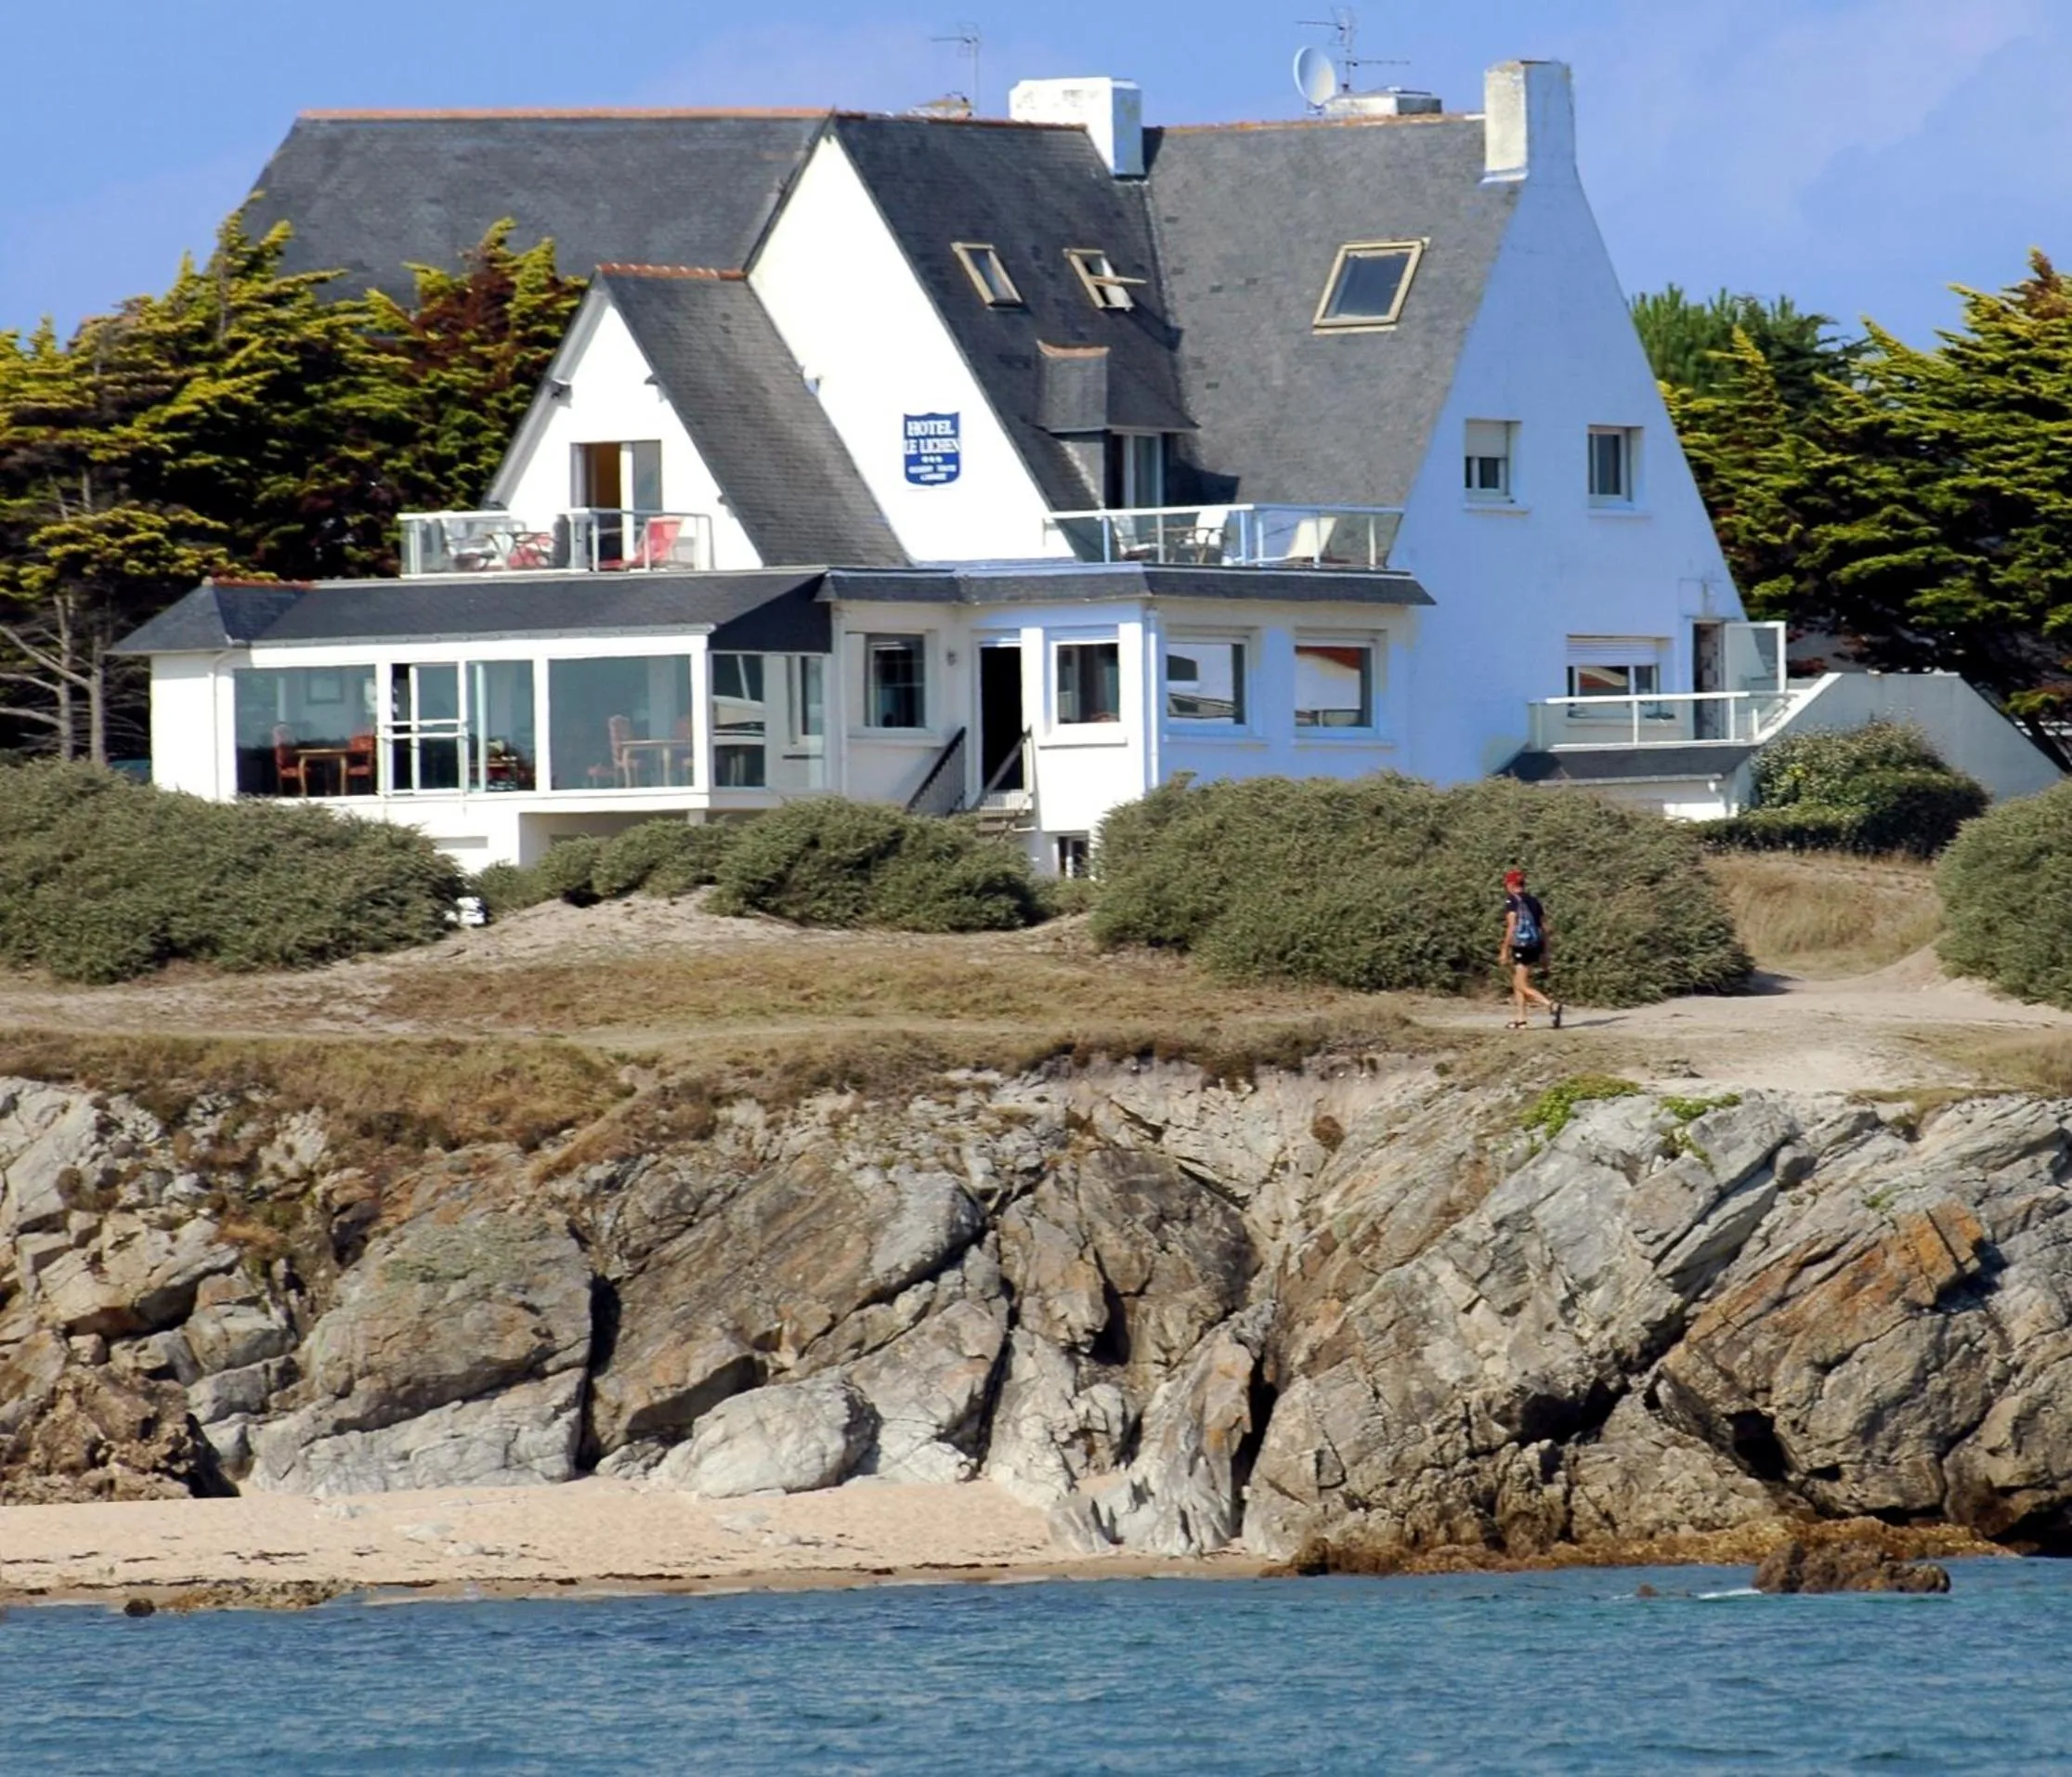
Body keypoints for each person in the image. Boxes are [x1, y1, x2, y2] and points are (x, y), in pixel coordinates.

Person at [1500, 869, 1563, 1030]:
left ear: (1512, 884)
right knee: (1518, 982)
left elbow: (1512, 927)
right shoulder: (1534, 901)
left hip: (1520, 944)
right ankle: (1521, 1020)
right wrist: (1546, 951)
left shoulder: (1512, 901)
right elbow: (1544, 927)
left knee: (1520, 984)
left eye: (1507, 883)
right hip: (1535, 944)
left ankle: (1551, 1005)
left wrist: (1504, 950)